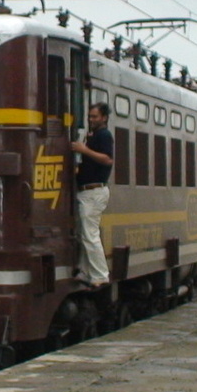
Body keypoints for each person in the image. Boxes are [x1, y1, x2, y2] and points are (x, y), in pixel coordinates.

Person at [70, 102, 114, 289]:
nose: (91, 119)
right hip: (87, 191)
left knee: (90, 234)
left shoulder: (104, 135)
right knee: (83, 233)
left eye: (94, 116)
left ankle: (100, 275)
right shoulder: (94, 135)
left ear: (104, 117)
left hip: (94, 191)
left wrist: (84, 150)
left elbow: (107, 159)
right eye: (90, 116)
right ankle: (84, 271)